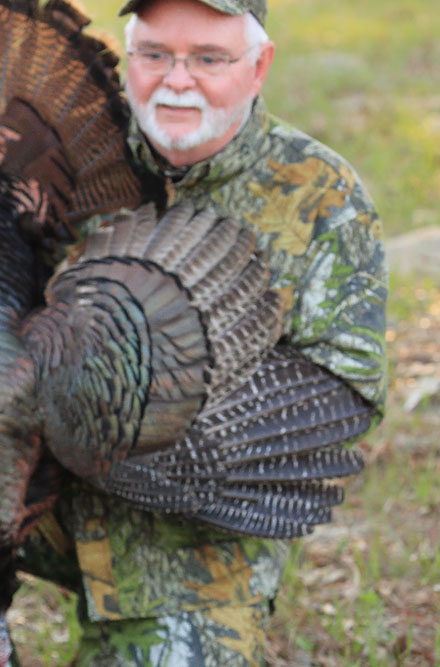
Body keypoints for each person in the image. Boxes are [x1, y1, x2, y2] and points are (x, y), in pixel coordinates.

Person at [20, 0, 388, 664]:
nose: (176, 80)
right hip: (30, 482)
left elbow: (345, 386)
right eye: (154, 55)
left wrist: (163, 437)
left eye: (208, 59)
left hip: (189, 537)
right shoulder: (58, 164)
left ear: (259, 66)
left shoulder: (320, 196)